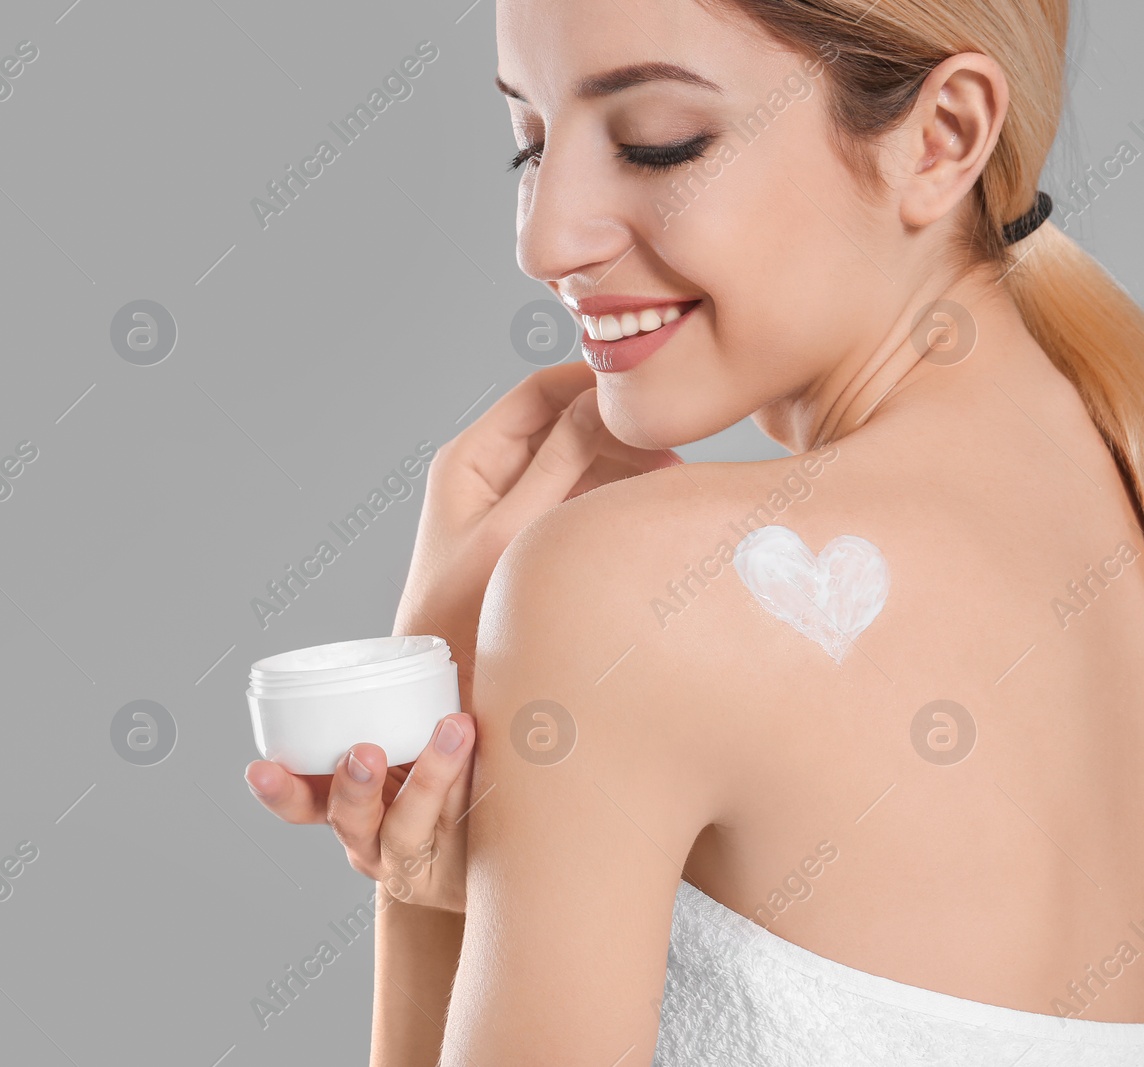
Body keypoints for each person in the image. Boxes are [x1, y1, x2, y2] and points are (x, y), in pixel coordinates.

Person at [245, 0, 1144, 1062]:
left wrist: (441, 766)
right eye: (527, 145)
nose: (543, 241)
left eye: (657, 142)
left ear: (940, 135)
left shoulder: (631, 589)